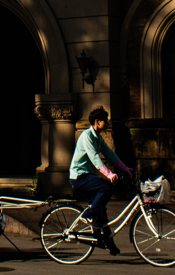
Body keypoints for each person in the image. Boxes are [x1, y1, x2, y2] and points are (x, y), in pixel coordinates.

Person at [69, 105, 132, 255]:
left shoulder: (98, 138)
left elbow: (110, 155)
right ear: (97, 122)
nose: (108, 123)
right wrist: (109, 175)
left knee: (101, 211)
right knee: (106, 187)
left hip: (87, 176)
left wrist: (125, 169)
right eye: (106, 121)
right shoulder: (86, 136)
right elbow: (95, 158)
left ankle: (108, 243)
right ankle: (88, 216)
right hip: (79, 176)